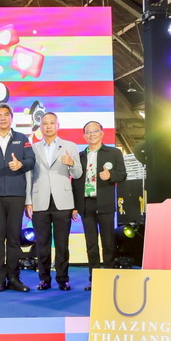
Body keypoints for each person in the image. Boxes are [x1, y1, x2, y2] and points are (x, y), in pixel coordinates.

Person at [0, 104, 35, 292]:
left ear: (12, 118)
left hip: (16, 194)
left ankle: (14, 278)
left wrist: (20, 164)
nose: (2, 118)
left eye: (6, 115)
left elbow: (31, 161)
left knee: (13, 238)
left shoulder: (22, 138)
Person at [25, 112, 83, 291]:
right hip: (39, 200)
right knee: (42, 244)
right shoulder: (33, 148)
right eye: (45, 123)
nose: (48, 126)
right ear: (40, 127)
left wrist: (71, 163)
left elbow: (78, 174)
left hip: (63, 201)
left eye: (52, 123)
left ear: (58, 125)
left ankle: (63, 279)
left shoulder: (70, 146)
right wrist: (28, 201)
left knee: (62, 244)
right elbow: (29, 175)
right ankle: (44, 279)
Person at [72, 121, 127, 291]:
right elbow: (75, 182)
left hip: (105, 203)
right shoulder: (80, 156)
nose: (92, 134)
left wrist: (110, 175)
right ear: (84, 136)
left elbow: (123, 175)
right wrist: (75, 205)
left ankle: (109, 277)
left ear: (102, 133)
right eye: (88, 132)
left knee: (108, 242)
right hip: (85, 204)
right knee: (91, 244)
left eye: (95, 131)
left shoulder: (114, 152)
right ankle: (94, 278)